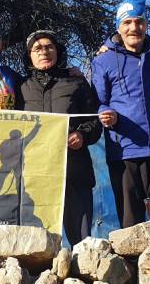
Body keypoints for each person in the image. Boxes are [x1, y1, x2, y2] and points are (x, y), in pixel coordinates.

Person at [92, 0, 150, 227]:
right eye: (128, 22)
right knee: (130, 223)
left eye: (140, 22)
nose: (134, 28)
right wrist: (105, 113)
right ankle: (132, 263)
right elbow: (97, 101)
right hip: (125, 152)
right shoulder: (104, 61)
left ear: (146, 25)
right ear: (119, 27)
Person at [17, 30, 101, 244]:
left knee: (82, 241)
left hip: (75, 170)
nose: (44, 52)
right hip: (36, 175)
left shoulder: (77, 83)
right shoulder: (21, 88)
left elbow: (94, 119)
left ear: (57, 51)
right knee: (37, 243)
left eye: (49, 47)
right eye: (37, 48)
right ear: (29, 55)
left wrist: (82, 135)